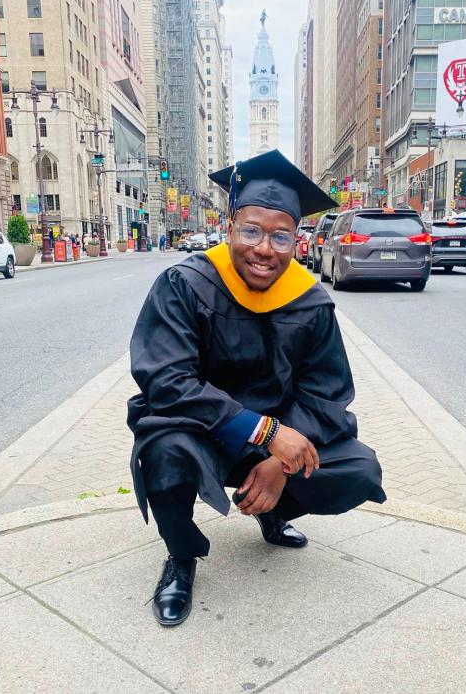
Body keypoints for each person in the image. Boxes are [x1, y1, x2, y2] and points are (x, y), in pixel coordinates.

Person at [128, 149, 386, 627]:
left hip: (275, 443)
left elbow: (325, 394)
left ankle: (270, 508)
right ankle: (180, 557)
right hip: (200, 433)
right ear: (229, 229)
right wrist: (264, 433)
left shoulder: (309, 302)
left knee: (359, 467)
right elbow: (167, 381)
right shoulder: (185, 285)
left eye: (280, 236)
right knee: (164, 451)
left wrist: (281, 463)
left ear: (296, 241)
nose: (265, 248)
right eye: (251, 231)